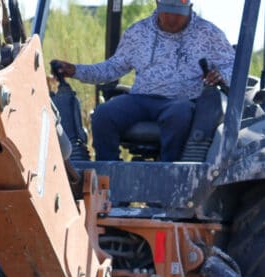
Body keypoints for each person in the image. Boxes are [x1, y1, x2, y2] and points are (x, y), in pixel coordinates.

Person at [52, 0, 234, 161]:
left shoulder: (209, 34)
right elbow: (111, 68)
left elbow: (233, 65)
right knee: (103, 114)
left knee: (179, 114)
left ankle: (168, 178)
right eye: (167, 13)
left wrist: (221, 75)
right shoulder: (138, 32)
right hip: (140, 98)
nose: (171, 19)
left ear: (189, 8)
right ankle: (108, 179)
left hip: (182, 100)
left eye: (177, 14)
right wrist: (75, 70)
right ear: (157, 5)